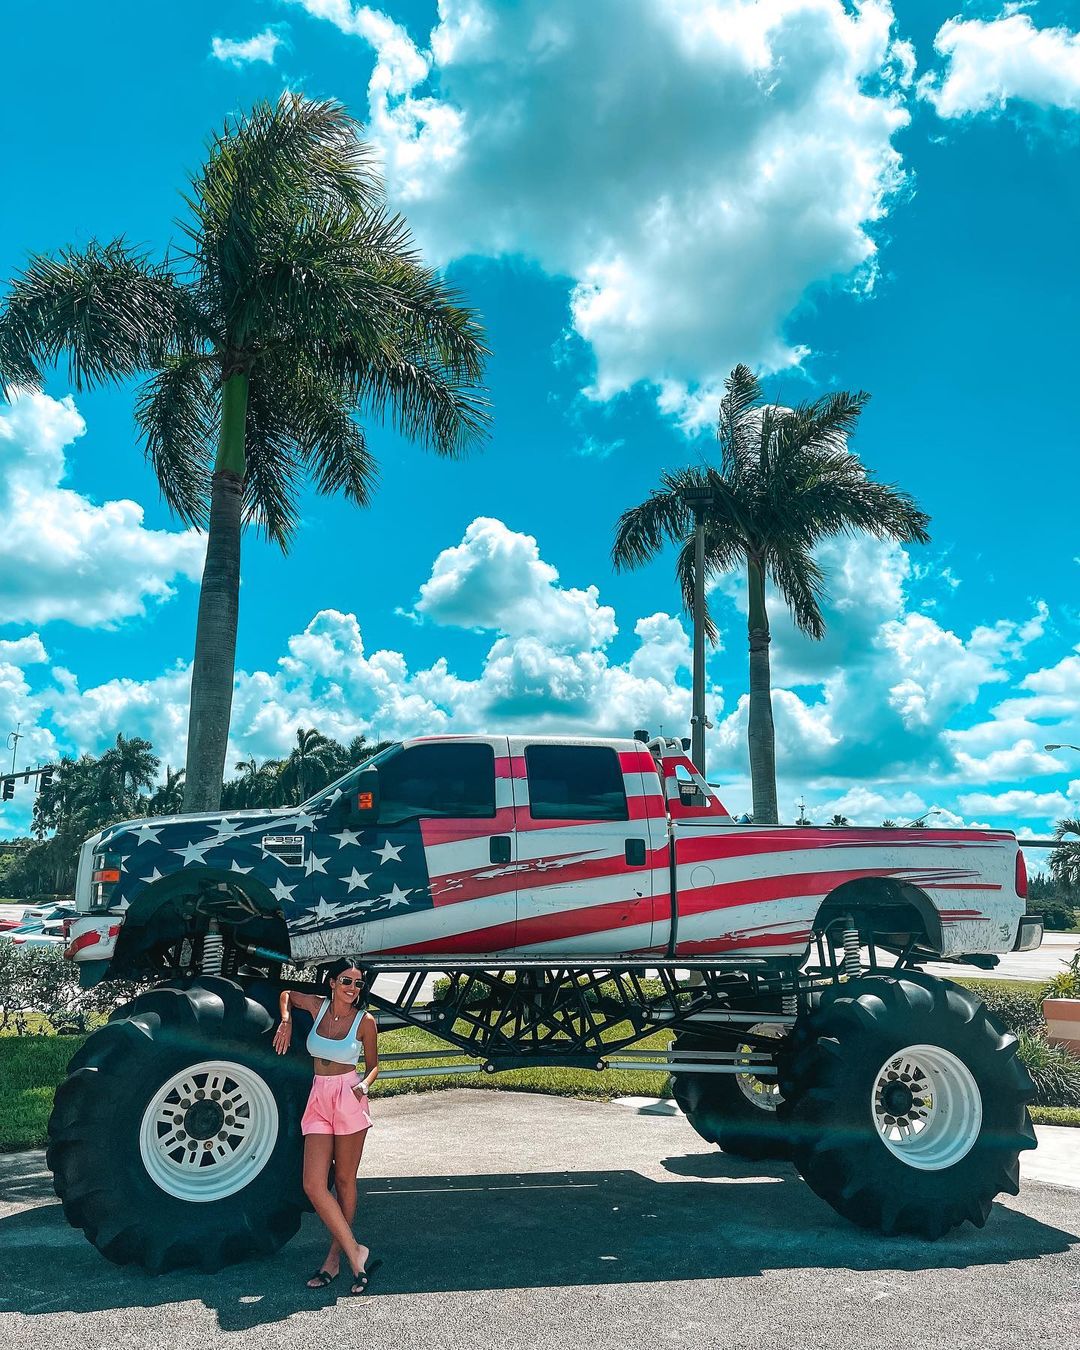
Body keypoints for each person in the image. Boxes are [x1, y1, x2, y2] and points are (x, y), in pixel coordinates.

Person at [273, 959, 381, 1294]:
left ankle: (335, 1259)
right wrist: (286, 1021)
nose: (352, 989)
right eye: (346, 981)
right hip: (319, 1096)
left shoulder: (365, 1021)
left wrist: (364, 1085)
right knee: (314, 1184)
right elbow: (287, 993)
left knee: (346, 1181)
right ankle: (356, 1251)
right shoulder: (317, 1006)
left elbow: (375, 1066)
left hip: (349, 1096)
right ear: (332, 982)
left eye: (358, 984)